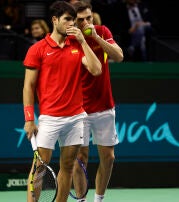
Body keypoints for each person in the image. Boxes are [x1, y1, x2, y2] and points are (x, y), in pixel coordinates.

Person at [22, 1, 102, 202]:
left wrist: (83, 41)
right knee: (39, 168)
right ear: (55, 20)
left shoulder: (77, 46)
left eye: (73, 20)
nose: (71, 24)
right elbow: (28, 86)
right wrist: (29, 119)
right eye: (67, 19)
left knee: (67, 167)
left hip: (76, 118)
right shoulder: (38, 50)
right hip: (50, 118)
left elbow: (96, 69)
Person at [72, 1, 123, 202]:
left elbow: (118, 56)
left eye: (88, 18)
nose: (85, 22)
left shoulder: (101, 31)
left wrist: (95, 36)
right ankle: (82, 200)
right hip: (78, 109)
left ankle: (99, 199)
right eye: (80, 20)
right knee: (80, 159)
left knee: (109, 158)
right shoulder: (68, 41)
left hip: (104, 106)